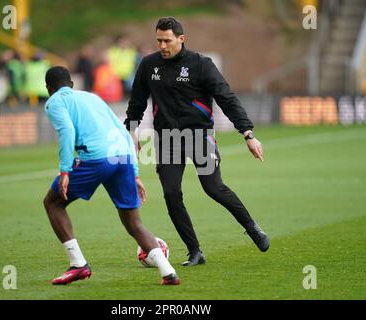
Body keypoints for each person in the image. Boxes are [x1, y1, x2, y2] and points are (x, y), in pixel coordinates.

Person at [124, 17, 270, 267]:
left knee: (214, 189)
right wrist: (133, 132)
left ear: (181, 39)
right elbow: (136, 103)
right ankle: (195, 251)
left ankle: (252, 228)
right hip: (168, 139)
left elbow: (227, 98)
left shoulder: (201, 65)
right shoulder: (149, 65)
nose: (162, 45)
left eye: (167, 40)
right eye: (158, 40)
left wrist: (247, 133)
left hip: (200, 136)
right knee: (171, 194)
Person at [43, 66, 180, 285]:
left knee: (52, 203)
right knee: (133, 222)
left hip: (96, 158)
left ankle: (78, 265)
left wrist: (65, 171)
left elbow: (67, 131)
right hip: (122, 158)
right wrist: (134, 174)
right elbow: (123, 131)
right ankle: (168, 272)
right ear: (71, 85)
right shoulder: (92, 98)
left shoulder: (54, 102)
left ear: (49, 89)